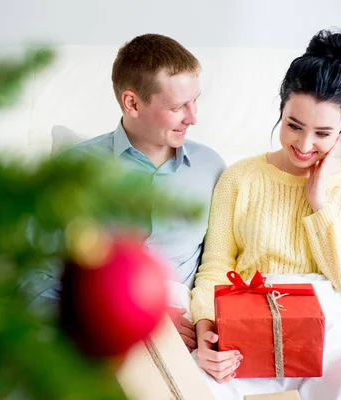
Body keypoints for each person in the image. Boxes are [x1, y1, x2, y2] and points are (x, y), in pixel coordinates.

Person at [190, 29, 341, 383]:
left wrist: (320, 205)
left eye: (323, 133)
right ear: (280, 108)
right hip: (247, 334)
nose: (304, 144)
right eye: (293, 126)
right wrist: (205, 332)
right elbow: (215, 268)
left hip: (331, 343)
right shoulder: (239, 178)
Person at [26, 34, 226, 352]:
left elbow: (220, 264)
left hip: (188, 338)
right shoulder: (75, 168)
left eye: (195, 100)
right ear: (132, 103)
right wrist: (131, 322)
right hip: (97, 329)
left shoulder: (212, 167)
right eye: (178, 106)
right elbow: (37, 272)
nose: (193, 117)